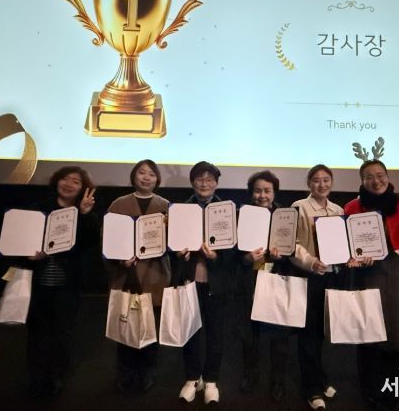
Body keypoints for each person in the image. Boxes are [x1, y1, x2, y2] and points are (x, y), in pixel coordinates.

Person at [342, 159, 399, 409]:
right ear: (362, 181)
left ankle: (395, 389)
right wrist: (352, 256)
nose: (376, 180)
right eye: (369, 176)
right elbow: (343, 242)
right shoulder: (352, 208)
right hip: (367, 276)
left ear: (387, 176)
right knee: (369, 337)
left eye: (380, 175)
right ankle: (371, 391)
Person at [19, 166, 99, 399]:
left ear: (82, 188)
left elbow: (90, 243)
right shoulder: (38, 210)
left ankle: (55, 377)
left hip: (67, 285)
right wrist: (29, 255)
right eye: (65, 179)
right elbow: (21, 241)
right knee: (37, 334)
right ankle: (36, 378)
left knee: (62, 334)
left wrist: (84, 214)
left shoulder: (83, 213)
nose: (68, 184)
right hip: (38, 284)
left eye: (75, 181)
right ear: (56, 181)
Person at [105, 159, 171, 394]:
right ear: (134, 176)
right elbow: (107, 239)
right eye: (141, 172)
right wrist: (119, 258)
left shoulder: (165, 206)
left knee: (149, 331)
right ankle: (125, 374)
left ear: (157, 179)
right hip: (126, 276)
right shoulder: (118, 204)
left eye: (151, 174)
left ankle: (147, 373)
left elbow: (174, 241)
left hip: (155, 276)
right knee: (124, 330)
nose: (146, 177)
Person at [173, 161, 235, 405]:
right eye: (199, 179)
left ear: (216, 183)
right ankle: (191, 379)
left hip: (216, 282)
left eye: (209, 179)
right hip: (189, 279)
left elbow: (234, 251)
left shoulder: (227, 210)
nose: (204, 183)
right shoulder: (180, 210)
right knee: (190, 332)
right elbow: (170, 246)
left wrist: (216, 256)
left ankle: (210, 380)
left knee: (215, 334)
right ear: (192, 182)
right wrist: (179, 253)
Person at [235, 170, 292, 402]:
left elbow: (293, 252)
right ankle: (251, 374)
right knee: (250, 335)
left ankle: (278, 381)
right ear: (251, 193)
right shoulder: (242, 215)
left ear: (274, 193)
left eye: (267, 191)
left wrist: (282, 256)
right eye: (258, 191)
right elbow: (232, 253)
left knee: (279, 337)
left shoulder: (285, 216)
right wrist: (246, 258)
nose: (262, 195)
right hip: (249, 281)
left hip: (277, 280)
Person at [291, 164, 342, 410]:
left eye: (326, 180)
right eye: (316, 180)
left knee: (321, 332)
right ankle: (311, 389)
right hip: (309, 277)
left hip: (332, 278)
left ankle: (319, 377)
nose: (322, 185)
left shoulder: (338, 210)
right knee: (308, 335)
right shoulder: (299, 207)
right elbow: (292, 243)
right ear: (309, 184)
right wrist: (311, 262)